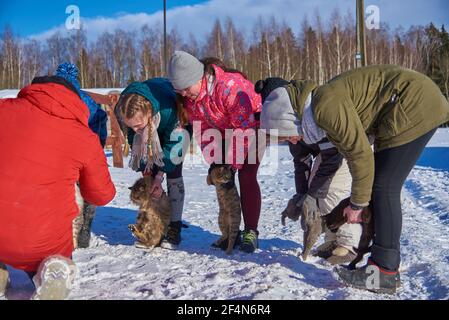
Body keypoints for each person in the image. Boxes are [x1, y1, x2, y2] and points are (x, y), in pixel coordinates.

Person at [259, 65, 449, 294]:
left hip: (414, 104)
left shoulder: (325, 108)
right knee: (379, 185)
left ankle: (384, 272)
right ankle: (379, 262)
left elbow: (359, 155)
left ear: (289, 119)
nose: (289, 141)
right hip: (405, 105)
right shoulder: (316, 110)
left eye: (285, 134)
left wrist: (357, 204)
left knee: (383, 187)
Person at [0, 75, 116, 299]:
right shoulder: (83, 136)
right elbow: (102, 195)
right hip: (41, 242)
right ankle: (54, 269)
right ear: (74, 100)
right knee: (53, 254)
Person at [255, 77, 363, 265]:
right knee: (317, 194)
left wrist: (312, 195)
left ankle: (349, 244)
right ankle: (332, 241)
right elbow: (301, 161)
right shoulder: (288, 123)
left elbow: (333, 156)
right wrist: (302, 196)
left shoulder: (314, 113)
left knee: (330, 191)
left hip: (345, 148)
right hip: (328, 154)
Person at [167, 51, 263, 253]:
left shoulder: (228, 87)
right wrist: (215, 161)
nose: (184, 94)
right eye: (179, 91)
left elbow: (244, 128)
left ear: (198, 77)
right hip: (223, 131)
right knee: (223, 182)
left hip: (253, 126)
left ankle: (250, 232)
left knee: (246, 174)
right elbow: (203, 130)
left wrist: (231, 163)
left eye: (186, 88)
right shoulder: (192, 98)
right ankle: (230, 232)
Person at [114, 78, 191, 247]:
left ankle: (174, 227)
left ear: (149, 113)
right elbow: (136, 143)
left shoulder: (171, 111)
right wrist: (149, 176)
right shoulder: (122, 111)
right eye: (131, 126)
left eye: (138, 125)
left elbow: (174, 149)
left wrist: (159, 177)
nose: (135, 130)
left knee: (173, 170)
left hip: (173, 123)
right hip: (152, 126)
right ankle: (154, 225)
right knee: (150, 178)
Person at [56, 62, 110, 249]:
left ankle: (66, 229)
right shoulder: (87, 99)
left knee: (65, 190)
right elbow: (102, 119)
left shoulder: (55, 96)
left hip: (63, 153)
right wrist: (99, 145)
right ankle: (85, 228)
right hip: (88, 149)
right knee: (87, 188)